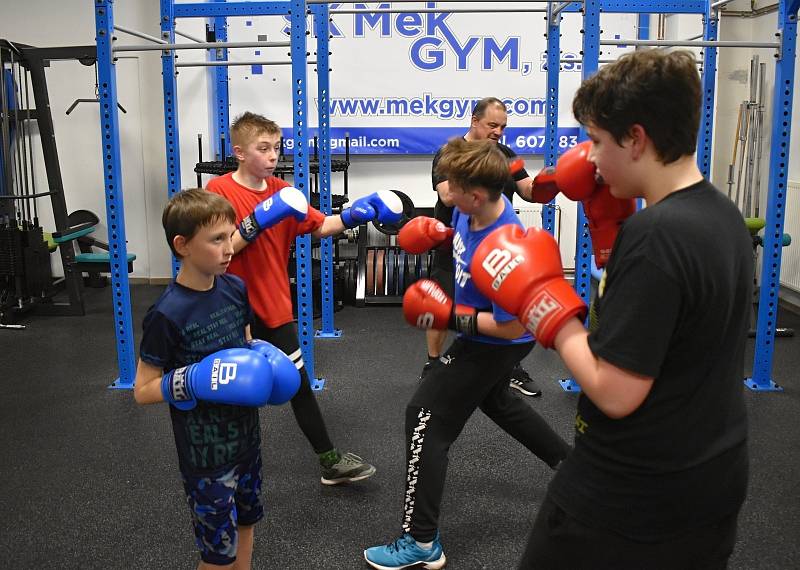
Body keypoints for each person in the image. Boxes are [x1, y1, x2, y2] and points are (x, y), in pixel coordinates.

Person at [470, 49, 752, 569]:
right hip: (711, 478)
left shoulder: (656, 237)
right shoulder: (723, 215)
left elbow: (615, 392)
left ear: (636, 138)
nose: (591, 159)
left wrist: (544, 305)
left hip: (629, 493)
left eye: (597, 141)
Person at [364, 138, 571, 570]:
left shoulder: (505, 249)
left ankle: (421, 541)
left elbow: (514, 325)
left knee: (423, 416)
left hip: (496, 341)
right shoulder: (466, 210)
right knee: (498, 401)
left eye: (450, 184)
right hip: (482, 331)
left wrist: (446, 316)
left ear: (475, 195)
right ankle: (574, 468)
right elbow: (453, 221)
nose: (442, 187)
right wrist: (439, 235)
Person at [207, 111, 403, 485]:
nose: (272, 156)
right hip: (230, 308)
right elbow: (219, 252)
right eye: (263, 149)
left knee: (298, 385)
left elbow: (321, 225)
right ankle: (223, 467)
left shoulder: (286, 194)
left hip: (275, 305)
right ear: (240, 152)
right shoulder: (218, 193)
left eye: (276, 148)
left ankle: (330, 461)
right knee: (227, 390)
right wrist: (254, 223)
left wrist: (353, 215)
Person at [133, 188, 301, 568]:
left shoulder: (234, 288)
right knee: (216, 555)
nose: (229, 249)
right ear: (182, 245)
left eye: (230, 236)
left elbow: (244, 342)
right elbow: (142, 390)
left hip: (246, 441)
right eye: (216, 240)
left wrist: (261, 355)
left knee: (246, 525)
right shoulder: (167, 314)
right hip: (205, 456)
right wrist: (192, 380)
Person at [423, 97, 543, 397]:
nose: (498, 131)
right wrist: (479, 170)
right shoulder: (449, 153)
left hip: (495, 247)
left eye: (503, 126)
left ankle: (508, 368)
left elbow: (528, 190)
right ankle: (433, 363)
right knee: (442, 307)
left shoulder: (506, 155)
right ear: (474, 121)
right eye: (492, 125)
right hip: (455, 242)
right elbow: (449, 196)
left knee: (499, 310)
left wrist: (554, 180)